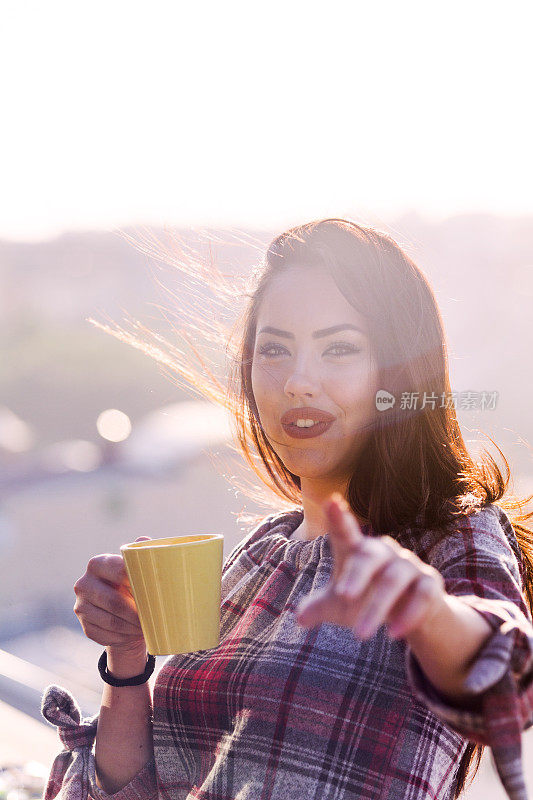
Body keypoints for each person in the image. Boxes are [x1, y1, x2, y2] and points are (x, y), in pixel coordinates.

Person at [41, 218, 533, 800]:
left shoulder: (451, 535)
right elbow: (134, 791)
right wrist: (127, 661)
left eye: (340, 349)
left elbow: (506, 683)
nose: (299, 381)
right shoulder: (260, 556)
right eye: (274, 349)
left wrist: (426, 612)